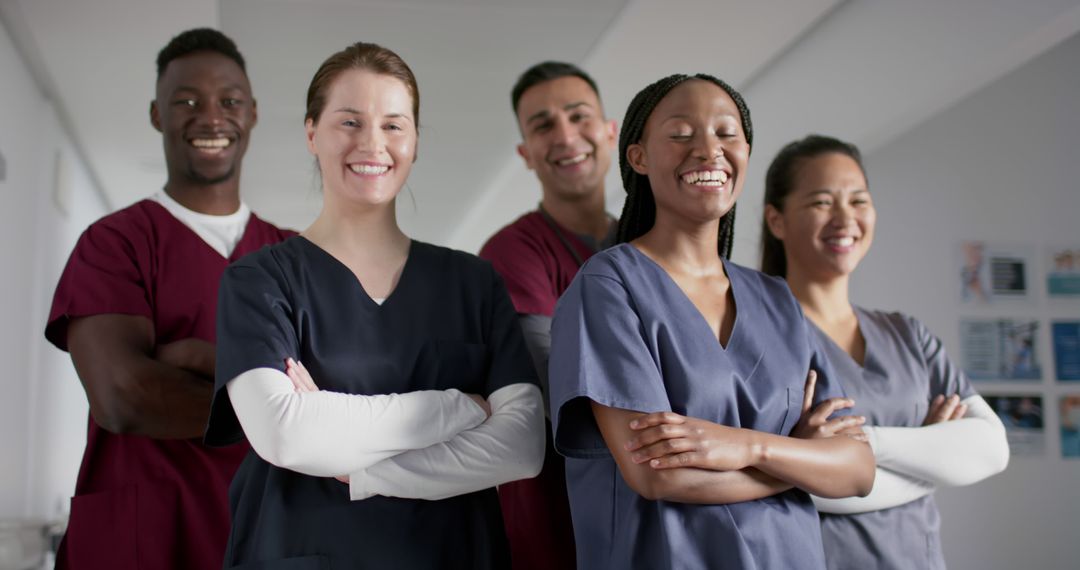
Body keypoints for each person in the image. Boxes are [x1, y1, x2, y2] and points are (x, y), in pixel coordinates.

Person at [204, 41, 545, 569]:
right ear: (312, 132)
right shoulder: (259, 281)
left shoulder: (472, 282)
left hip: (452, 553)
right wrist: (459, 408)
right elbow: (287, 433)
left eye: (393, 125)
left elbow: (522, 446)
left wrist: (361, 470)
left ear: (414, 141)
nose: (372, 143)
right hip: (300, 548)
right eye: (349, 122)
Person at [548, 74, 875, 570]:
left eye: (727, 133)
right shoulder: (609, 285)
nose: (708, 150)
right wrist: (800, 461)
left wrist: (744, 445)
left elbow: (857, 470)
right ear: (638, 157)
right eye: (680, 134)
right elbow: (657, 475)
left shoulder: (778, 300)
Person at [42, 28, 293, 569]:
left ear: (251, 114)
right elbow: (123, 395)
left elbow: (337, 389)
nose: (211, 117)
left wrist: (191, 358)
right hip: (144, 539)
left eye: (229, 101)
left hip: (262, 536)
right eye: (186, 101)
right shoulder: (115, 242)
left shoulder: (292, 257)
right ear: (157, 115)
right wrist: (276, 406)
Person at [760, 134, 1009, 569]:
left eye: (858, 200)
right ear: (776, 220)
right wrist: (933, 459)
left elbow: (990, 448)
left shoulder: (907, 334)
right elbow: (804, 489)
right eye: (822, 202)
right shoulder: (761, 336)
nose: (845, 218)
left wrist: (863, 445)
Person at [479, 60, 617, 570]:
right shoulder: (512, 251)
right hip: (558, 521)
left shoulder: (647, 247)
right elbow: (558, 380)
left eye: (579, 116)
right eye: (542, 125)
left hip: (651, 512)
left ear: (609, 131)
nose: (564, 135)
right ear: (525, 154)